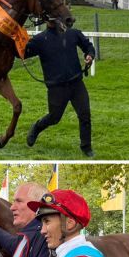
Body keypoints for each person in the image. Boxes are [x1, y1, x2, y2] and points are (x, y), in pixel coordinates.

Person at [24, 20, 96, 157]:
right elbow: (23, 52)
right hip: (56, 88)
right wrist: (17, 38)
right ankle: (37, 127)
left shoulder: (73, 34)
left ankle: (86, 147)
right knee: (54, 118)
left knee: (85, 114)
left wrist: (90, 55)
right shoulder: (40, 40)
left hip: (76, 84)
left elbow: (88, 46)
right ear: (46, 20)